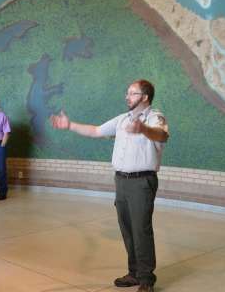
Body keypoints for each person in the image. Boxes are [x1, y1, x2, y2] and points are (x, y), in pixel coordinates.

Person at [50, 79, 169, 292]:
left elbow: (162, 135)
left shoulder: (154, 117)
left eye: (132, 93)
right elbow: (96, 131)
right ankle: (134, 273)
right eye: (127, 93)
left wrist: (143, 129)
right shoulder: (123, 119)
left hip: (142, 181)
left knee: (141, 230)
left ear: (145, 97)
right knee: (128, 229)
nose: (127, 96)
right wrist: (69, 125)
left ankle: (146, 280)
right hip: (121, 181)